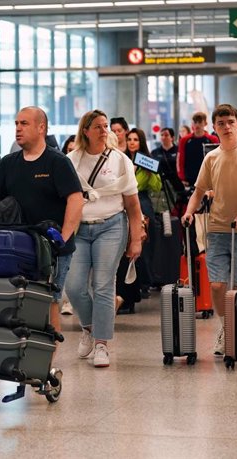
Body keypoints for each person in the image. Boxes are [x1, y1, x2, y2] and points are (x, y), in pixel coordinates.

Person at [0, 106, 83, 334]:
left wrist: (63, 238)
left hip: (51, 248)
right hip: (17, 247)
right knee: (17, 300)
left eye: (24, 124)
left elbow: (76, 200)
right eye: (17, 124)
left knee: (48, 302)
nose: (18, 129)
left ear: (41, 128)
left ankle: (46, 361)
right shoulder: (8, 163)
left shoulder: (57, 161)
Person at [182, 104, 237, 356]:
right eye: (221, 123)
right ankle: (226, 327)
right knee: (218, 286)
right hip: (218, 228)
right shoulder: (211, 158)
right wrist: (189, 212)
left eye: (231, 122)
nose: (227, 127)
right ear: (215, 128)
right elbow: (198, 191)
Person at [65, 109, 143, 368]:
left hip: (111, 226)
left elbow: (132, 205)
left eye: (105, 126)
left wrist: (135, 239)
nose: (104, 130)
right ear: (85, 130)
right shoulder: (71, 161)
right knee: (74, 287)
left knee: (103, 285)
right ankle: (88, 327)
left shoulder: (120, 160)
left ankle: (102, 344)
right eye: (98, 126)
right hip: (80, 229)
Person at [125, 127, 160, 299]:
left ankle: (145, 282)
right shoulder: (122, 160)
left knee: (144, 244)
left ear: (141, 142)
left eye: (135, 139)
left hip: (142, 202)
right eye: (129, 139)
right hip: (124, 202)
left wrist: (149, 172)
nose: (132, 142)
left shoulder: (147, 161)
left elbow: (156, 187)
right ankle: (130, 282)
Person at [176, 112, 219, 187]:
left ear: (205, 123)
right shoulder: (184, 140)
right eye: (195, 122)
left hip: (208, 178)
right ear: (192, 124)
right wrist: (182, 177)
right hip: (190, 178)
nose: (197, 125)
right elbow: (180, 159)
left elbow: (217, 160)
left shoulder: (212, 139)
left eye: (200, 122)